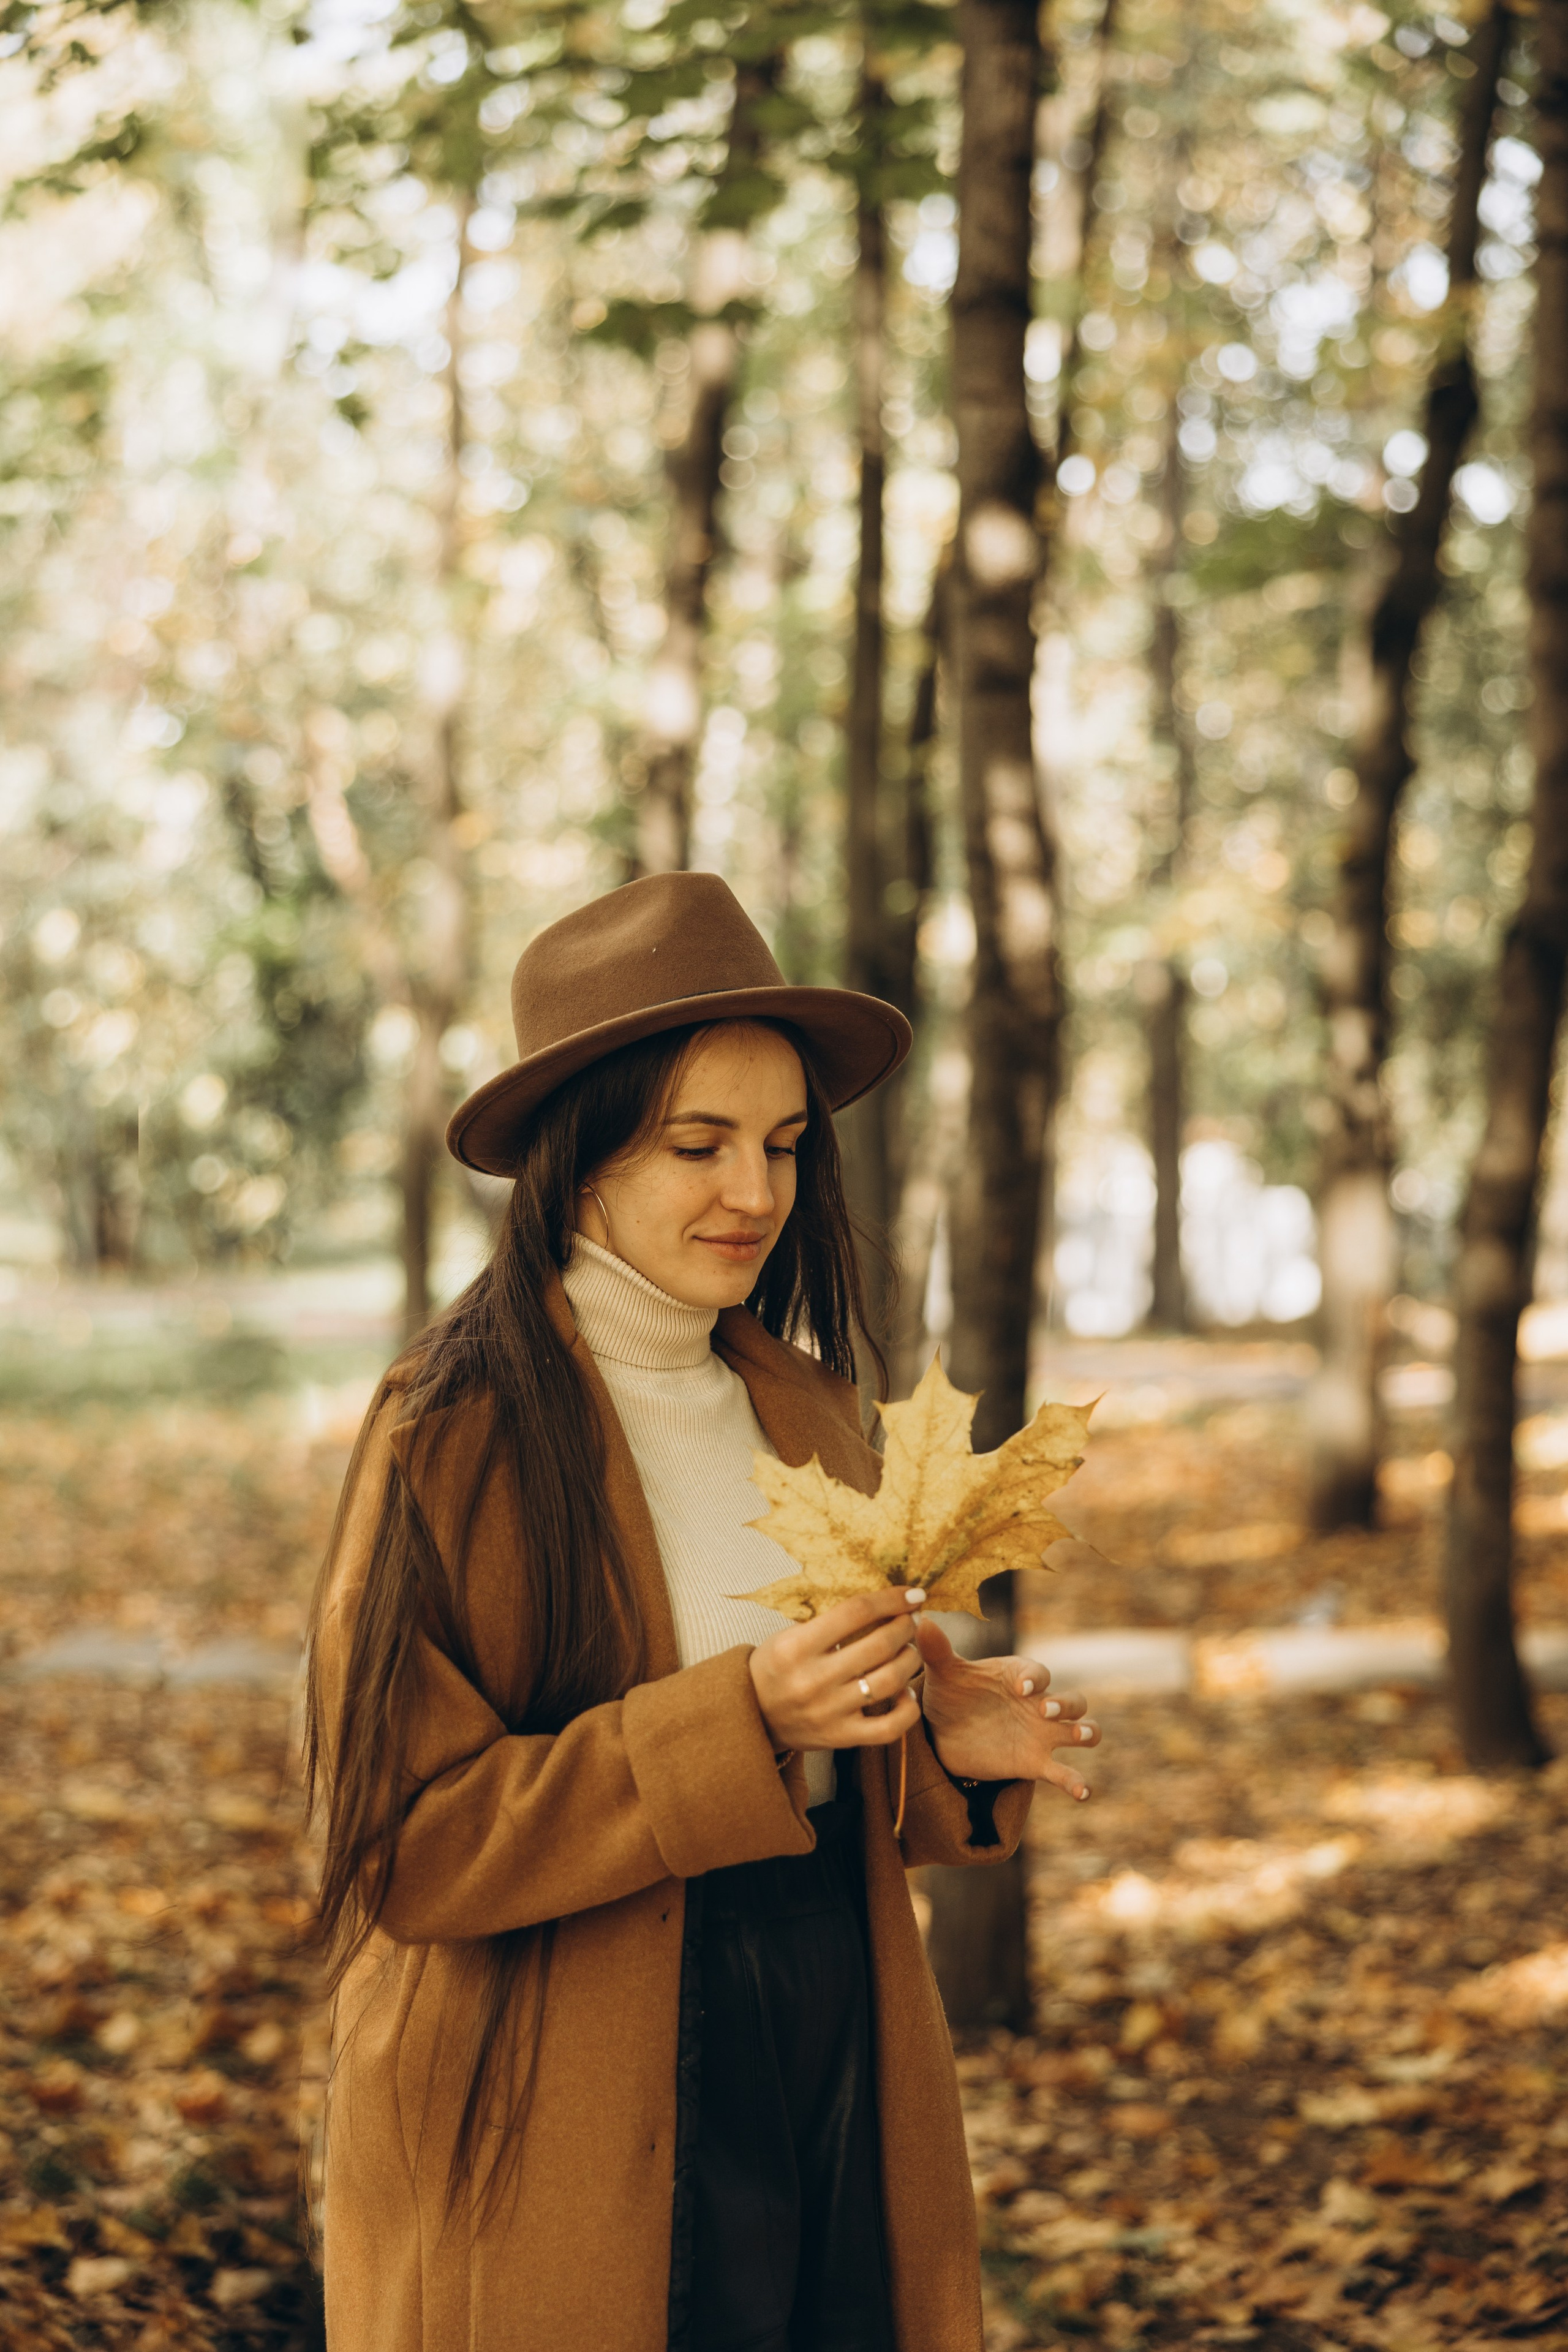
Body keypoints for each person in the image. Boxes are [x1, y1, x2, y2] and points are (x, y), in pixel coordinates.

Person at [305, 871, 1100, 2352]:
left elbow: (815, 1773)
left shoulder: (807, 1410)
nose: (757, 1193)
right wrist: (741, 1718)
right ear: (576, 1155)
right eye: (698, 1145)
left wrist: (935, 1753)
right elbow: (404, 1845)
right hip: (556, 2083)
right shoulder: (454, 1430)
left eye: (783, 1145)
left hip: (829, 2033)